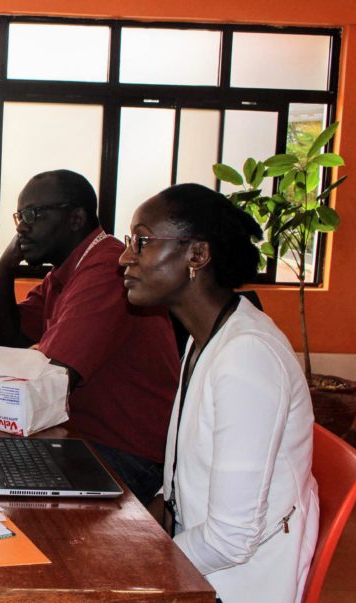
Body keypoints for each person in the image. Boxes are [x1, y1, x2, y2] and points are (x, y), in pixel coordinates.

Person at [119, 183, 317, 603]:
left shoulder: (247, 357)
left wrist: (132, 568)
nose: (125, 258)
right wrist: (121, 541)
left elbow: (231, 540)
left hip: (234, 584)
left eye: (142, 241)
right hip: (197, 561)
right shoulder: (203, 337)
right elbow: (173, 490)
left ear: (197, 255)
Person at [0, 169, 179, 503]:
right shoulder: (66, 271)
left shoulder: (108, 269)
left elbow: (51, 381)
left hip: (126, 452)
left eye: (34, 214)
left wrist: (27, 360)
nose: (21, 226)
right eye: (20, 215)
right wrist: (5, 268)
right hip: (77, 434)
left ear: (76, 217)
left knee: (5, 498)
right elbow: (9, 341)